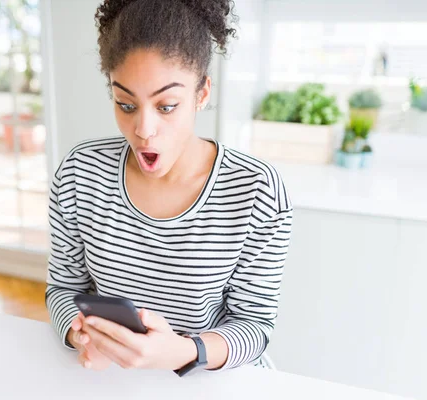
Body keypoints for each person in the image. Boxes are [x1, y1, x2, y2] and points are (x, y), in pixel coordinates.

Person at [46, 0, 293, 374]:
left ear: (202, 94)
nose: (143, 130)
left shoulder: (257, 191)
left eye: (167, 106)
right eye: (126, 104)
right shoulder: (81, 175)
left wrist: (184, 352)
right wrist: (80, 334)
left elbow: (255, 326)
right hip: (114, 381)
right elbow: (64, 289)